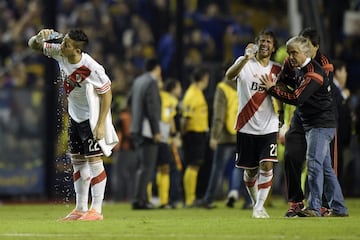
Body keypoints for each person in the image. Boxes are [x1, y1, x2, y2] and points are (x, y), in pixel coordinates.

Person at [28, 29, 119, 221]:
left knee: (95, 162)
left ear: (77, 50)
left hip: (90, 119)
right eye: (64, 41)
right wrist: (39, 37)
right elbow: (32, 45)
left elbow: (107, 93)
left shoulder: (91, 67)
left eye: (67, 44)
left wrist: (101, 124)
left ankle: (96, 210)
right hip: (75, 117)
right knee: (77, 163)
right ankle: (80, 208)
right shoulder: (60, 52)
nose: (62, 45)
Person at [260, 35, 348, 217]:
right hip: (312, 122)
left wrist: (272, 89)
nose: (290, 56)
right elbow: (289, 83)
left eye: (295, 53)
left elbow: (297, 98)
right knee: (325, 168)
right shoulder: (299, 68)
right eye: (289, 52)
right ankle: (339, 208)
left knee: (314, 164)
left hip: (320, 124)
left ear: (306, 52)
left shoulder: (314, 73)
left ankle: (314, 208)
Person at [225, 29, 282, 218]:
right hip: (246, 125)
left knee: (267, 165)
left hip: (269, 125)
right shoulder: (245, 64)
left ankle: (259, 207)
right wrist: (243, 59)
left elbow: (282, 93)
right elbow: (229, 76)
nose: (265, 44)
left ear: (273, 48)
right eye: (262, 40)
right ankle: (255, 202)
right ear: (257, 44)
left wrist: (280, 110)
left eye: (268, 41)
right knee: (250, 172)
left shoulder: (277, 70)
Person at [282, 27, 337, 217]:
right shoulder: (293, 61)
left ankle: (322, 205)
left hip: (320, 118)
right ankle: (296, 201)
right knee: (291, 154)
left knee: (321, 164)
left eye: (306, 44)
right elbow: (285, 80)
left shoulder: (322, 65)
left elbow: (302, 95)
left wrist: (275, 89)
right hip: (302, 115)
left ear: (314, 47)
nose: (293, 54)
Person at [200, 63, 251, 209]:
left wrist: (214, 136)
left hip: (225, 135)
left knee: (218, 168)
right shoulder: (244, 86)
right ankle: (248, 200)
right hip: (242, 133)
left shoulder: (222, 88)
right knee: (244, 168)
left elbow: (219, 115)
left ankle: (208, 198)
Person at [130, 57, 162, 210]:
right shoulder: (151, 82)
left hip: (136, 127)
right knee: (147, 167)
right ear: (156, 68)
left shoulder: (138, 81)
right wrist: (156, 131)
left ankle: (141, 198)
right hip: (147, 130)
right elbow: (152, 109)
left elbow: (129, 102)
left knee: (143, 165)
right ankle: (139, 200)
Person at [181, 67, 210, 208]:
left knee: (195, 166)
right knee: (193, 165)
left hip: (198, 133)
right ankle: (189, 199)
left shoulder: (196, 92)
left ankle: (191, 198)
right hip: (193, 134)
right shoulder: (192, 94)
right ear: (204, 78)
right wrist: (184, 134)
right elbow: (186, 117)